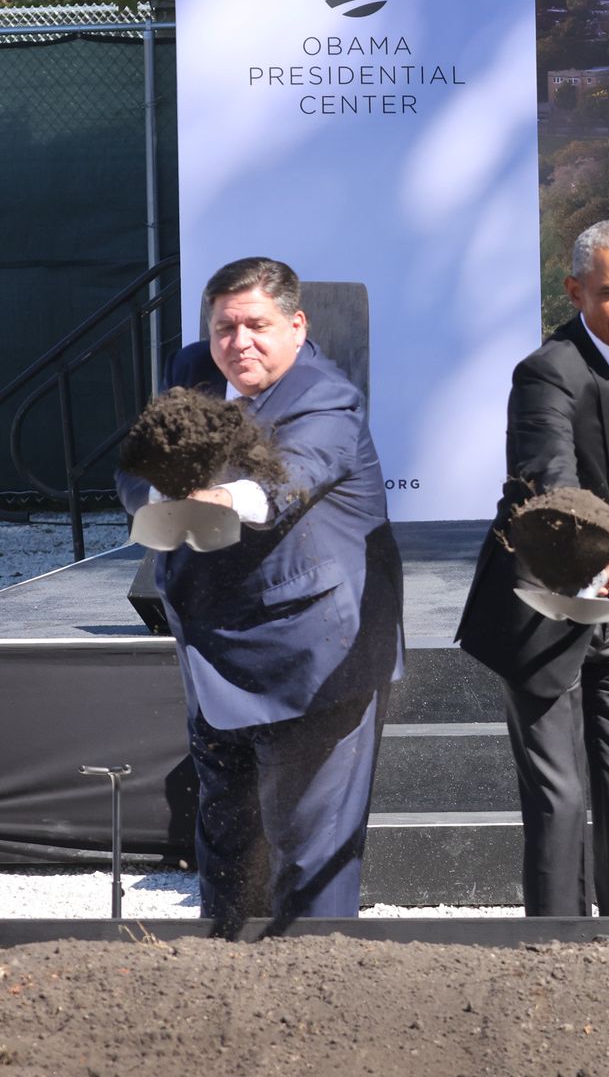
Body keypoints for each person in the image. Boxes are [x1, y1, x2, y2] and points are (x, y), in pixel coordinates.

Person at [115, 256, 404, 931]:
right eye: (224, 327)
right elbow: (138, 462)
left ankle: (315, 993)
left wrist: (222, 497)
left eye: (257, 325)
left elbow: (298, 474)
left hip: (315, 656)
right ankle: (225, 987)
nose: (239, 342)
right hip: (215, 647)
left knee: (310, 853)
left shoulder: (325, 396)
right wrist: (164, 491)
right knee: (228, 842)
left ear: (296, 325)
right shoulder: (191, 369)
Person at [456, 220, 609, 917]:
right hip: (544, 604)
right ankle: (556, 955)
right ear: (575, 292)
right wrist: (596, 550)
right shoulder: (546, 373)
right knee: (561, 803)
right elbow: (552, 483)